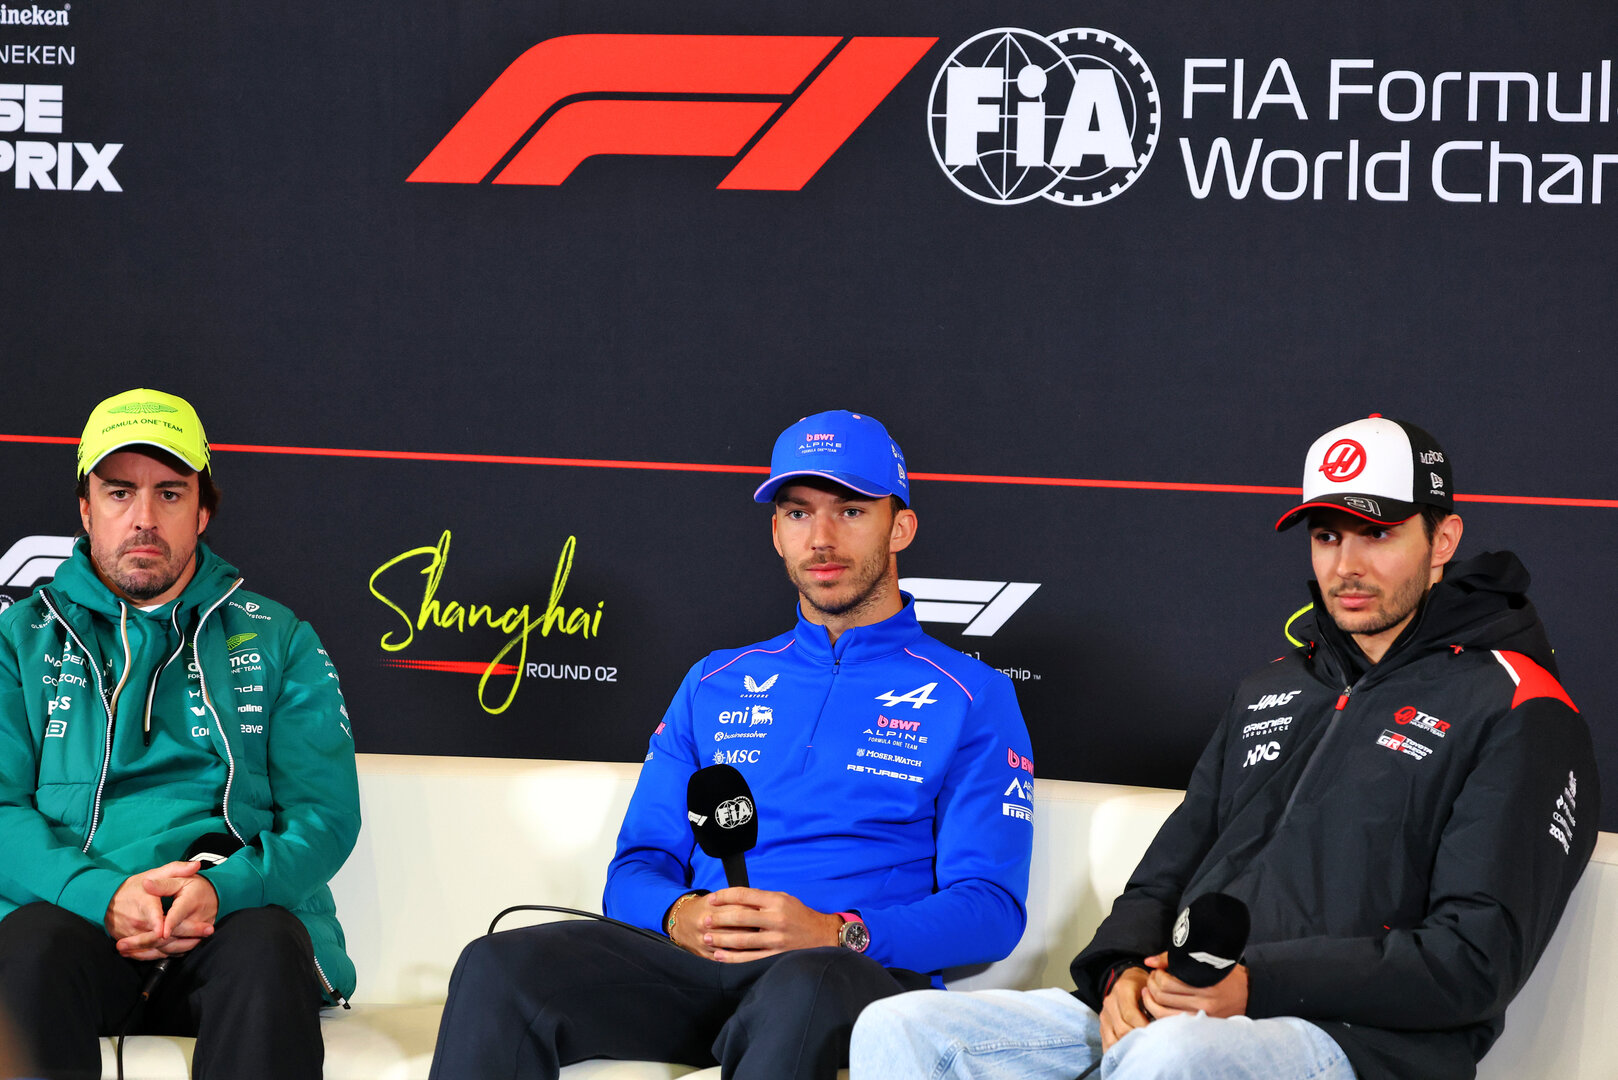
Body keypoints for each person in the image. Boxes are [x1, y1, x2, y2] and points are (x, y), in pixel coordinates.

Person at [850, 414, 1599, 1080]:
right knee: (900, 1028)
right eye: (1328, 535)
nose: (1347, 566)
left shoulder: (1518, 705)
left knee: (1173, 1057)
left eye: (1378, 533)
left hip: (1356, 1045)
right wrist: (1116, 977)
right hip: (1187, 1011)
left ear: (1443, 539)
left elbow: (1472, 962)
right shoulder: (1273, 687)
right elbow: (1163, 878)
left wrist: (1252, 983)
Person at [430, 410, 1035, 1080]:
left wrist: (839, 931)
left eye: (852, 510)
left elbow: (990, 909)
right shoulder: (712, 681)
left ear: (900, 527)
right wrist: (678, 912)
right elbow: (635, 869)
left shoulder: (971, 693)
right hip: (699, 972)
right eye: (799, 513)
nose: (823, 538)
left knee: (805, 987)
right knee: (498, 967)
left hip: (847, 976)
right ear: (777, 533)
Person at [0, 389, 361, 1080]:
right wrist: (102, 895)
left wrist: (225, 891)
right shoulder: (15, 642)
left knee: (267, 947)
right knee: (27, 951)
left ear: (203, 510)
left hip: (229, 923)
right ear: (84, 509)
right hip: (76, 920)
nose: (143, 519)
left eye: (169, 494)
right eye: (117, 492)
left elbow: (327, 816)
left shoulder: (278, 636)